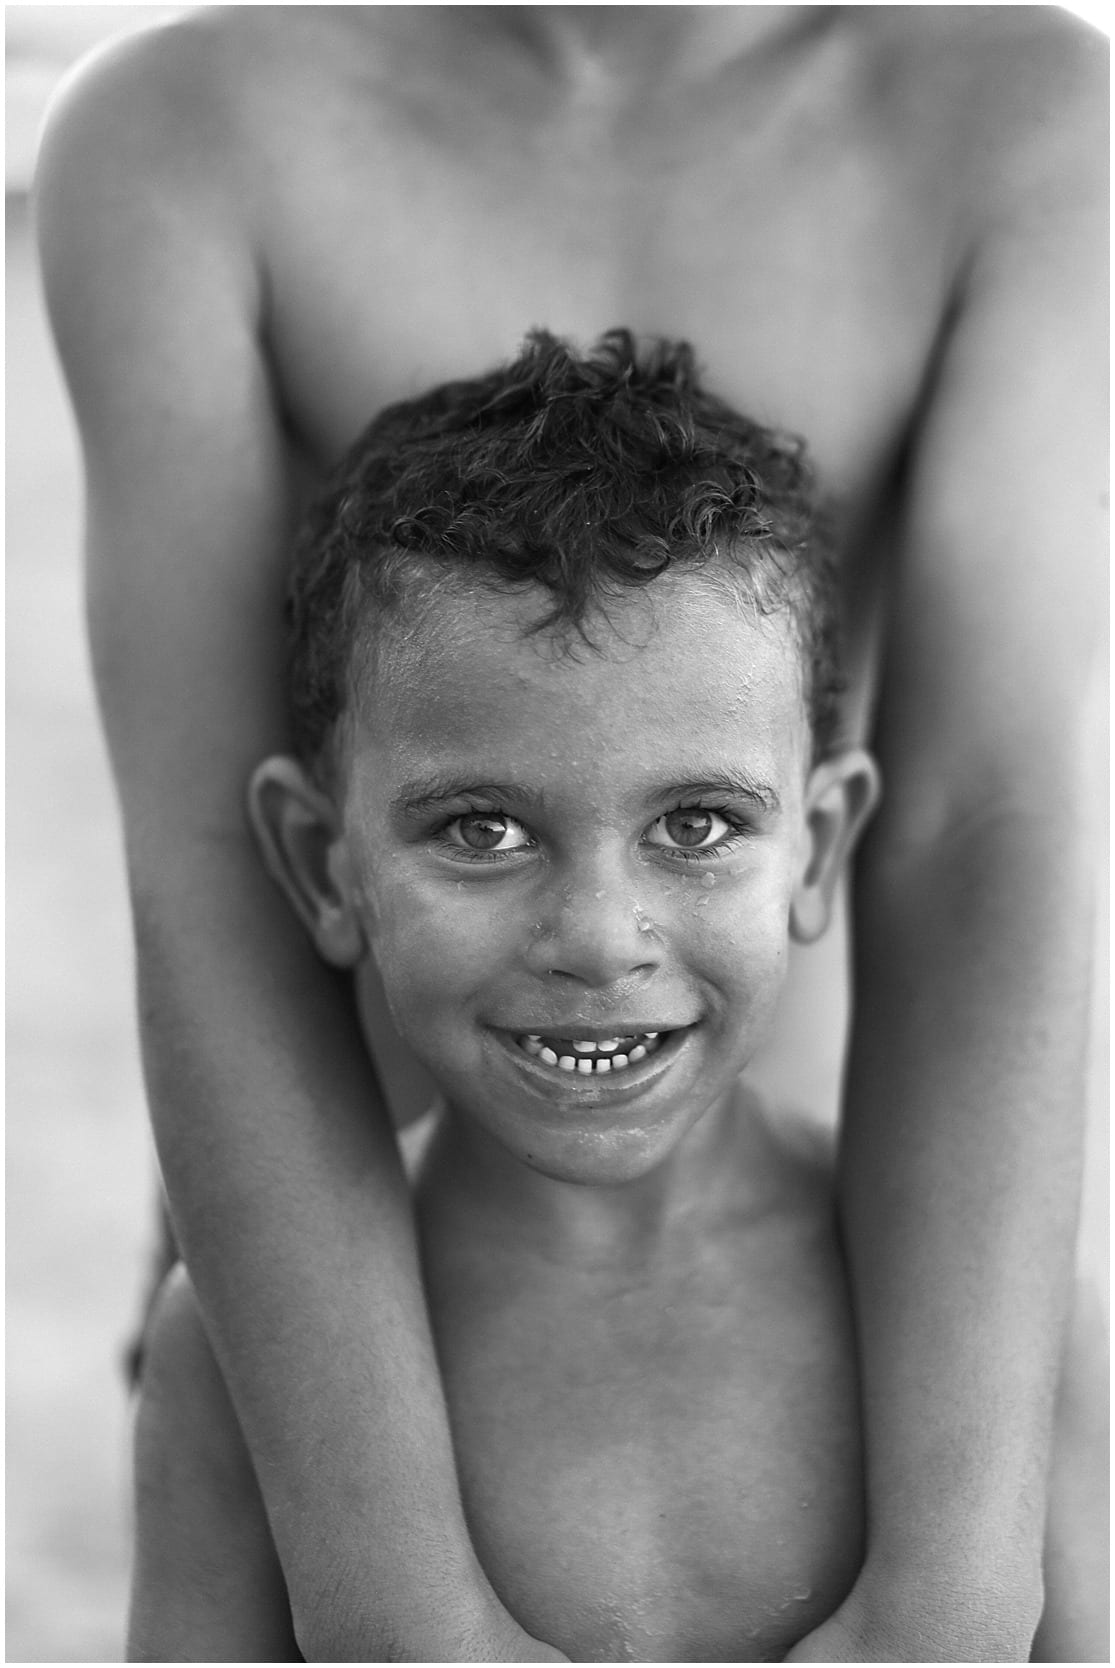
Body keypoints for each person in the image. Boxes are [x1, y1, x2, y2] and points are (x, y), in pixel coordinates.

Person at [35, 9, 1106, 1661]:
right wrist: (399, 1609)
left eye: (695, 824)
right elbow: (205, 861)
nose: (604, 931)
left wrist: (950, 1601)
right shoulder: (186, 128)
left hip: (879, 1330)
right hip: (330, 1341)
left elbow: (977, 822)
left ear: (809, 843)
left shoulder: (1025, 114)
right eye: (488, 830)